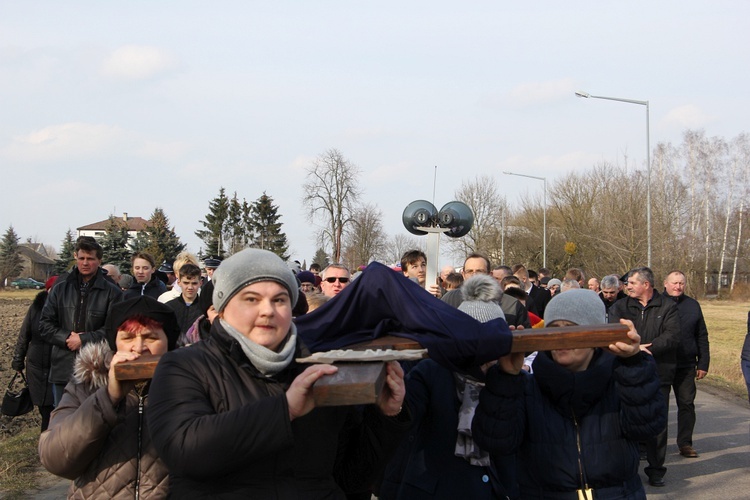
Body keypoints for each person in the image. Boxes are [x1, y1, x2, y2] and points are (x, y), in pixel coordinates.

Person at [146, 249, 410, 497]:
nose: (268, 310)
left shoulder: (318, 368)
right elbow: (184, 450)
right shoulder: (185, 366)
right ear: (223, 308)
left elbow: (351, 478)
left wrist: (386, 416)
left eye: (280, 300)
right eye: (251, 299)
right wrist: (285, 410)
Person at [473, 289, 667, 499]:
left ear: (595, 335)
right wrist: (505, 378)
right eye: (554, 329)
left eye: (572, 329)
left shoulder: (620, 380)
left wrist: (633, 364)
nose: (562, 338)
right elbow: (495, 442)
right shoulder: (527, 387)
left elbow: (648, 427)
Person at [379, 275, 512, 499]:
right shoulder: (432, 371)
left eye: (490, 339)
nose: (482, 349)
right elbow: (407, 416)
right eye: (472, 337)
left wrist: (511, 374)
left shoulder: (510, 377)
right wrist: (396, 407)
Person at [38, 295, 180, 498]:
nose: (139, 348)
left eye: (151, 337)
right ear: (114, 343)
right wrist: (108, 397)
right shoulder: (87, 384)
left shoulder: (189, 386)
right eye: (128, 338)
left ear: (169, 343)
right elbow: (56, 460)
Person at [608, 267, 679, 487]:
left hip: (659, 372)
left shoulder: (668, 307)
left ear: (646, 284)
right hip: (625, 372)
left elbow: (672, 335)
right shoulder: (619, 306)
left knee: (658, 422)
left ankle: (656, 470)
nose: (626, 286)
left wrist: (649, 348)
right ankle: (625, 467)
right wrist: (634, 350)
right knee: (623, 420)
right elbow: (612, 331)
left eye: (631, 283)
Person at [39, 236, 123, 406]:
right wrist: (65, 338)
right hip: (63, 367)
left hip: (97, 369)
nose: (85, 263)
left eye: (90, 259)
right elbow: (44, 324)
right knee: (62, 422)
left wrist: (84, 340)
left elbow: (115, 330)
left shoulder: (112, 293)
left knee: (95, 421)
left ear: (99, 260)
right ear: (76, 257)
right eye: (82, 258)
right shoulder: (60, 289)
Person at [663, 270, 710, 458]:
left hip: (686, 364)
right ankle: (654, 446)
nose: (678, 286)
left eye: (681, 283)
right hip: (663, 363)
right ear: (665, 284)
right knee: (659, 406)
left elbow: (702, 335)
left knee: (687, 404)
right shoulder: (658, 304)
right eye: (674, 283)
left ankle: (685, 443)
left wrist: (703, 363)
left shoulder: (693, 305)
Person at [12, 276, 57, 431]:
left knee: (54, 405)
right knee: (44, 407)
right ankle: (46, 442)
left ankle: (52, 441)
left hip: (56, 363)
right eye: (52, 290)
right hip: (36, 364)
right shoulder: (36, 308)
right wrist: (18, 359)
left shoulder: (65, 309)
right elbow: (24, 334)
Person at [442, 254, 531, 329]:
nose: (474, 275)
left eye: (479, 271)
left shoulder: (512, 304)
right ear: (463, 275)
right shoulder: (450, 299)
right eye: (469, 271)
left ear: (490, 274)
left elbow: (527, 342)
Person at [164, 263, 204, 336]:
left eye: (194, 283)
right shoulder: (168, 308)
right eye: (186, 283)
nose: (190, 287)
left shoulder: (205, 309)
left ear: (200, 283)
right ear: (179, 282)